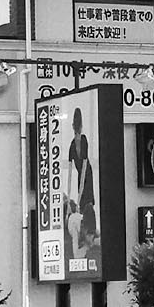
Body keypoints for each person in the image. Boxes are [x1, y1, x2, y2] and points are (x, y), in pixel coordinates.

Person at [69, 107, 98, 261]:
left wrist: (79, 194)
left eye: (78, 125)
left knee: (87, 202)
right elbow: (70, 168)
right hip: (81, 173)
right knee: (82, 203)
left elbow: (85, 164)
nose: (77, 128)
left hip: (87, 174)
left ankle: (91, 236)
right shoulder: (72, 144)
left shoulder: (84, 140)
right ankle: (86, 238)